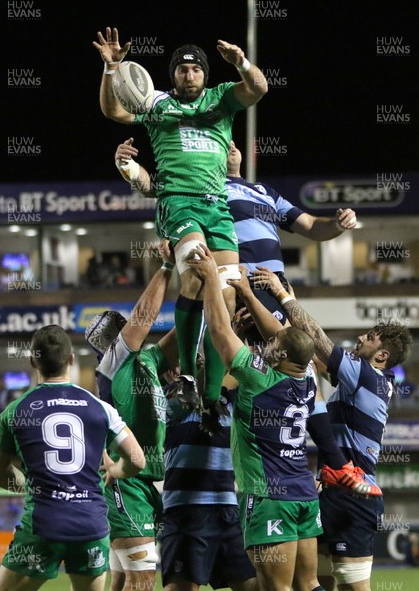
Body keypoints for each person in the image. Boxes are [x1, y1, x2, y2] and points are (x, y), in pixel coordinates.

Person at [93, 26, 268, 416]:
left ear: (205, 74)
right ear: (171, 74)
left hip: (216, 205)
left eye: (195, 70)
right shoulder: (156, 103)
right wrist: (111, 69)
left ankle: (210, 396)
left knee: (225, 292)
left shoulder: (222, 98)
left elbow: (258, 89)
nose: (189, 75)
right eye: (182, 70)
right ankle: (187, 376)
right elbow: (114, 111)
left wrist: (240, 62)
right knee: (194, 275)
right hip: (178, 203)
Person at [262, 269, 413, 591]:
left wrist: (283, 296)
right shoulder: (359, 382)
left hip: (355, 496)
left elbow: (318, 339)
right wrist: (290, 314)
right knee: (314, 580)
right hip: (332, 491)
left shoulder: (367, 376)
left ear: (382, 355)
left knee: (351, 585)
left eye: (369, 338)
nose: (360, 339)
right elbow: (310, 354)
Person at [186, 244, 326, 591]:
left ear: (277, 354)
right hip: (304, 494)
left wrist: (211, 280)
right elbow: (283, 340)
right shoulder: (308, 378)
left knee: (275, 588)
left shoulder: (258, 376)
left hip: (269, 497)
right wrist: (247, 292)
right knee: (309, 584)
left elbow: (220, 333)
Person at [0, 325, 145, 591]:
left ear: (32, 361)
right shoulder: (100, 408)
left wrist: (28, 484)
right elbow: (138, 460)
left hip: (42, 526)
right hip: (90, 527)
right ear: (71, 359)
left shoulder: (16, 411)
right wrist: (117, 471)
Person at [85, 241, 180, 591]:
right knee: (142, 581)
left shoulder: (147, 361)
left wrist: (211, 295)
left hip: (144, 481)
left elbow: (184, 330)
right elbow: (145, 317)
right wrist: (168, 266)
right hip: (126, 481)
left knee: (124, 579)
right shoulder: (112, 364)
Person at [225, 139, 357, 328]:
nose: (231, 146)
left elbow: (311, 226)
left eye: (233, 143)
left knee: (287, 349)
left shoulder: (265, 191)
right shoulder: (212, 190)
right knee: (286, 346)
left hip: (278, 284)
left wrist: (338, 224)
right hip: (249, 281)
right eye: (224, 143)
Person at [160, 367, 258, 591]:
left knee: (256, 585)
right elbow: (197, 386)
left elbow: (239, 366)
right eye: (174, 364)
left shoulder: (229, 398)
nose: (178, 369)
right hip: (186, 511)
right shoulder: (169, 400)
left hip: (227, 509)